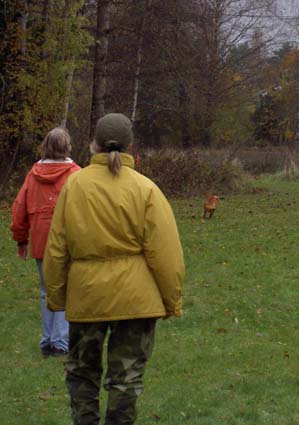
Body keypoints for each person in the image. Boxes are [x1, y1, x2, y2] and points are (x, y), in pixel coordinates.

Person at [43, 113, 185, 425]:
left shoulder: (74, 187)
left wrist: (56, 297)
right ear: (132, 146)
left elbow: (56, 248)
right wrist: (171, 300)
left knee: (82, 374)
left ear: (92, 144)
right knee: (127, 378)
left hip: (87, 298)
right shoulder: (146, 189)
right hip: (136, 301)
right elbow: (166, 253)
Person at [10, 127, 81, 357]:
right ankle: (60, 341)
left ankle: (48, 339)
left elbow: (19, 208)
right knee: (65, 289)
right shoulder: (76, 174)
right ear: (66, 147)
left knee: (45, 290)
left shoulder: (33, 175)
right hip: (66, 242)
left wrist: (22, 239)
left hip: (41, 241)